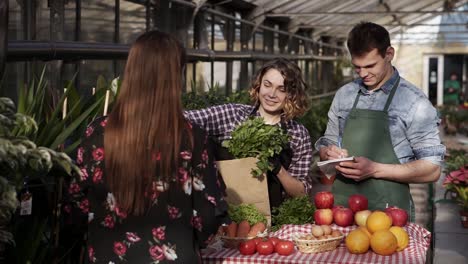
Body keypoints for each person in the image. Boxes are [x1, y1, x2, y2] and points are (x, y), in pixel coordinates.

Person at [65, 30, 228, 263]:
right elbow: (209, 214)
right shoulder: (192, 138)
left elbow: (76, 205)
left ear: (131, 71)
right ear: (175, 77)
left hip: (106, 255)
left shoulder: (98, 132)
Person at [315, 22, 445, 221]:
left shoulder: (414, 102)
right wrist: (328, 152)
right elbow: (327, 142)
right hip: (342, 211)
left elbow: (432, 169)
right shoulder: (345, 95)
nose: (363, 73)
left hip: (390, 215)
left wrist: (374, 169)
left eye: (370, 66)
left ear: (389, 54)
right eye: (357, 67)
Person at [185, 58, 313, 209]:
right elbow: (186, 118)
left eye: (281, 89)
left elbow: (301, 193)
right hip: (226, 215)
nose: (272, 94)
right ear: (258, 85)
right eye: (267, 85)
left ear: (291, 95)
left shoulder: (298, 134)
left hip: (274, 221)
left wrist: (278, 169)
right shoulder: (233, 115)